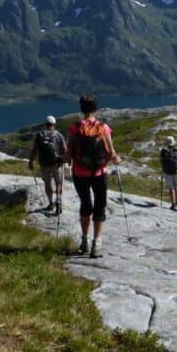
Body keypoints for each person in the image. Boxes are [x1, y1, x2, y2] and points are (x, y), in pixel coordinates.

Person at [67, 94, 121, 258]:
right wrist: (116, 158)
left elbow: (68, 153)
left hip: (79, 173)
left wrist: (63, 160)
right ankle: (96, 244)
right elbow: (111, 151)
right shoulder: (104, 128)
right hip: (99, 173)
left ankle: (84, 240)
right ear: (96, 109)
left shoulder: (75, 128)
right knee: (99, 206)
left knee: (85, 205)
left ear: (82, 109)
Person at [28, 115, 67, 214]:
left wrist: (31, 162)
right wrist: (63, 159)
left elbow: (34, 150)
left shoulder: (40, 135)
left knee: (47, 183)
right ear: (54, 124)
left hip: (44, 164)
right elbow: (65, 149)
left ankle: (50, 203)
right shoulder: (58, 135)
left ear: (45, 124)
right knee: (58, 183)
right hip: (56, 164)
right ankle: (58, 199)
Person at [160, 136, 177, 211]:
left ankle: (173, 205)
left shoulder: (163, 151)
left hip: (167, 172)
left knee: (171, 188)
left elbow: (161, 161)